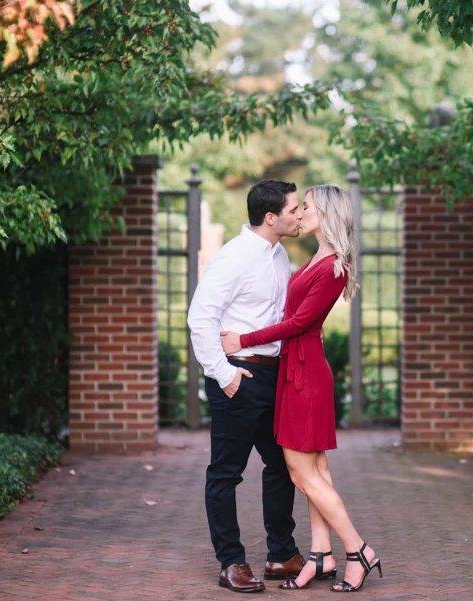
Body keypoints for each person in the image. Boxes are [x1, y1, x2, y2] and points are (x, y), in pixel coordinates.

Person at [220, 184, 383, 593]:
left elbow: (298, 324)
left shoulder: (333, 267)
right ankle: (321, 556)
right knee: (317, 472)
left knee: (300, 473)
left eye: (306, 207)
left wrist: (243, 339)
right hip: (298, 370)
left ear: (325, 213)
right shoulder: (317, 258)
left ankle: (359, 550)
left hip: (306, 376)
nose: (300, 213)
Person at [187, 180, 307, 593]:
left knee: (283, 466)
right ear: (271, 217)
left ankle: (281, 554)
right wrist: (225, 375)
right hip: (237, 377)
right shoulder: (232, 258)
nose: (300, 214)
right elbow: (201, 319)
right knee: (226, 473)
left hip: (273, 376)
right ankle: (231, 563)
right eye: (294, 208)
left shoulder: (280, 256)